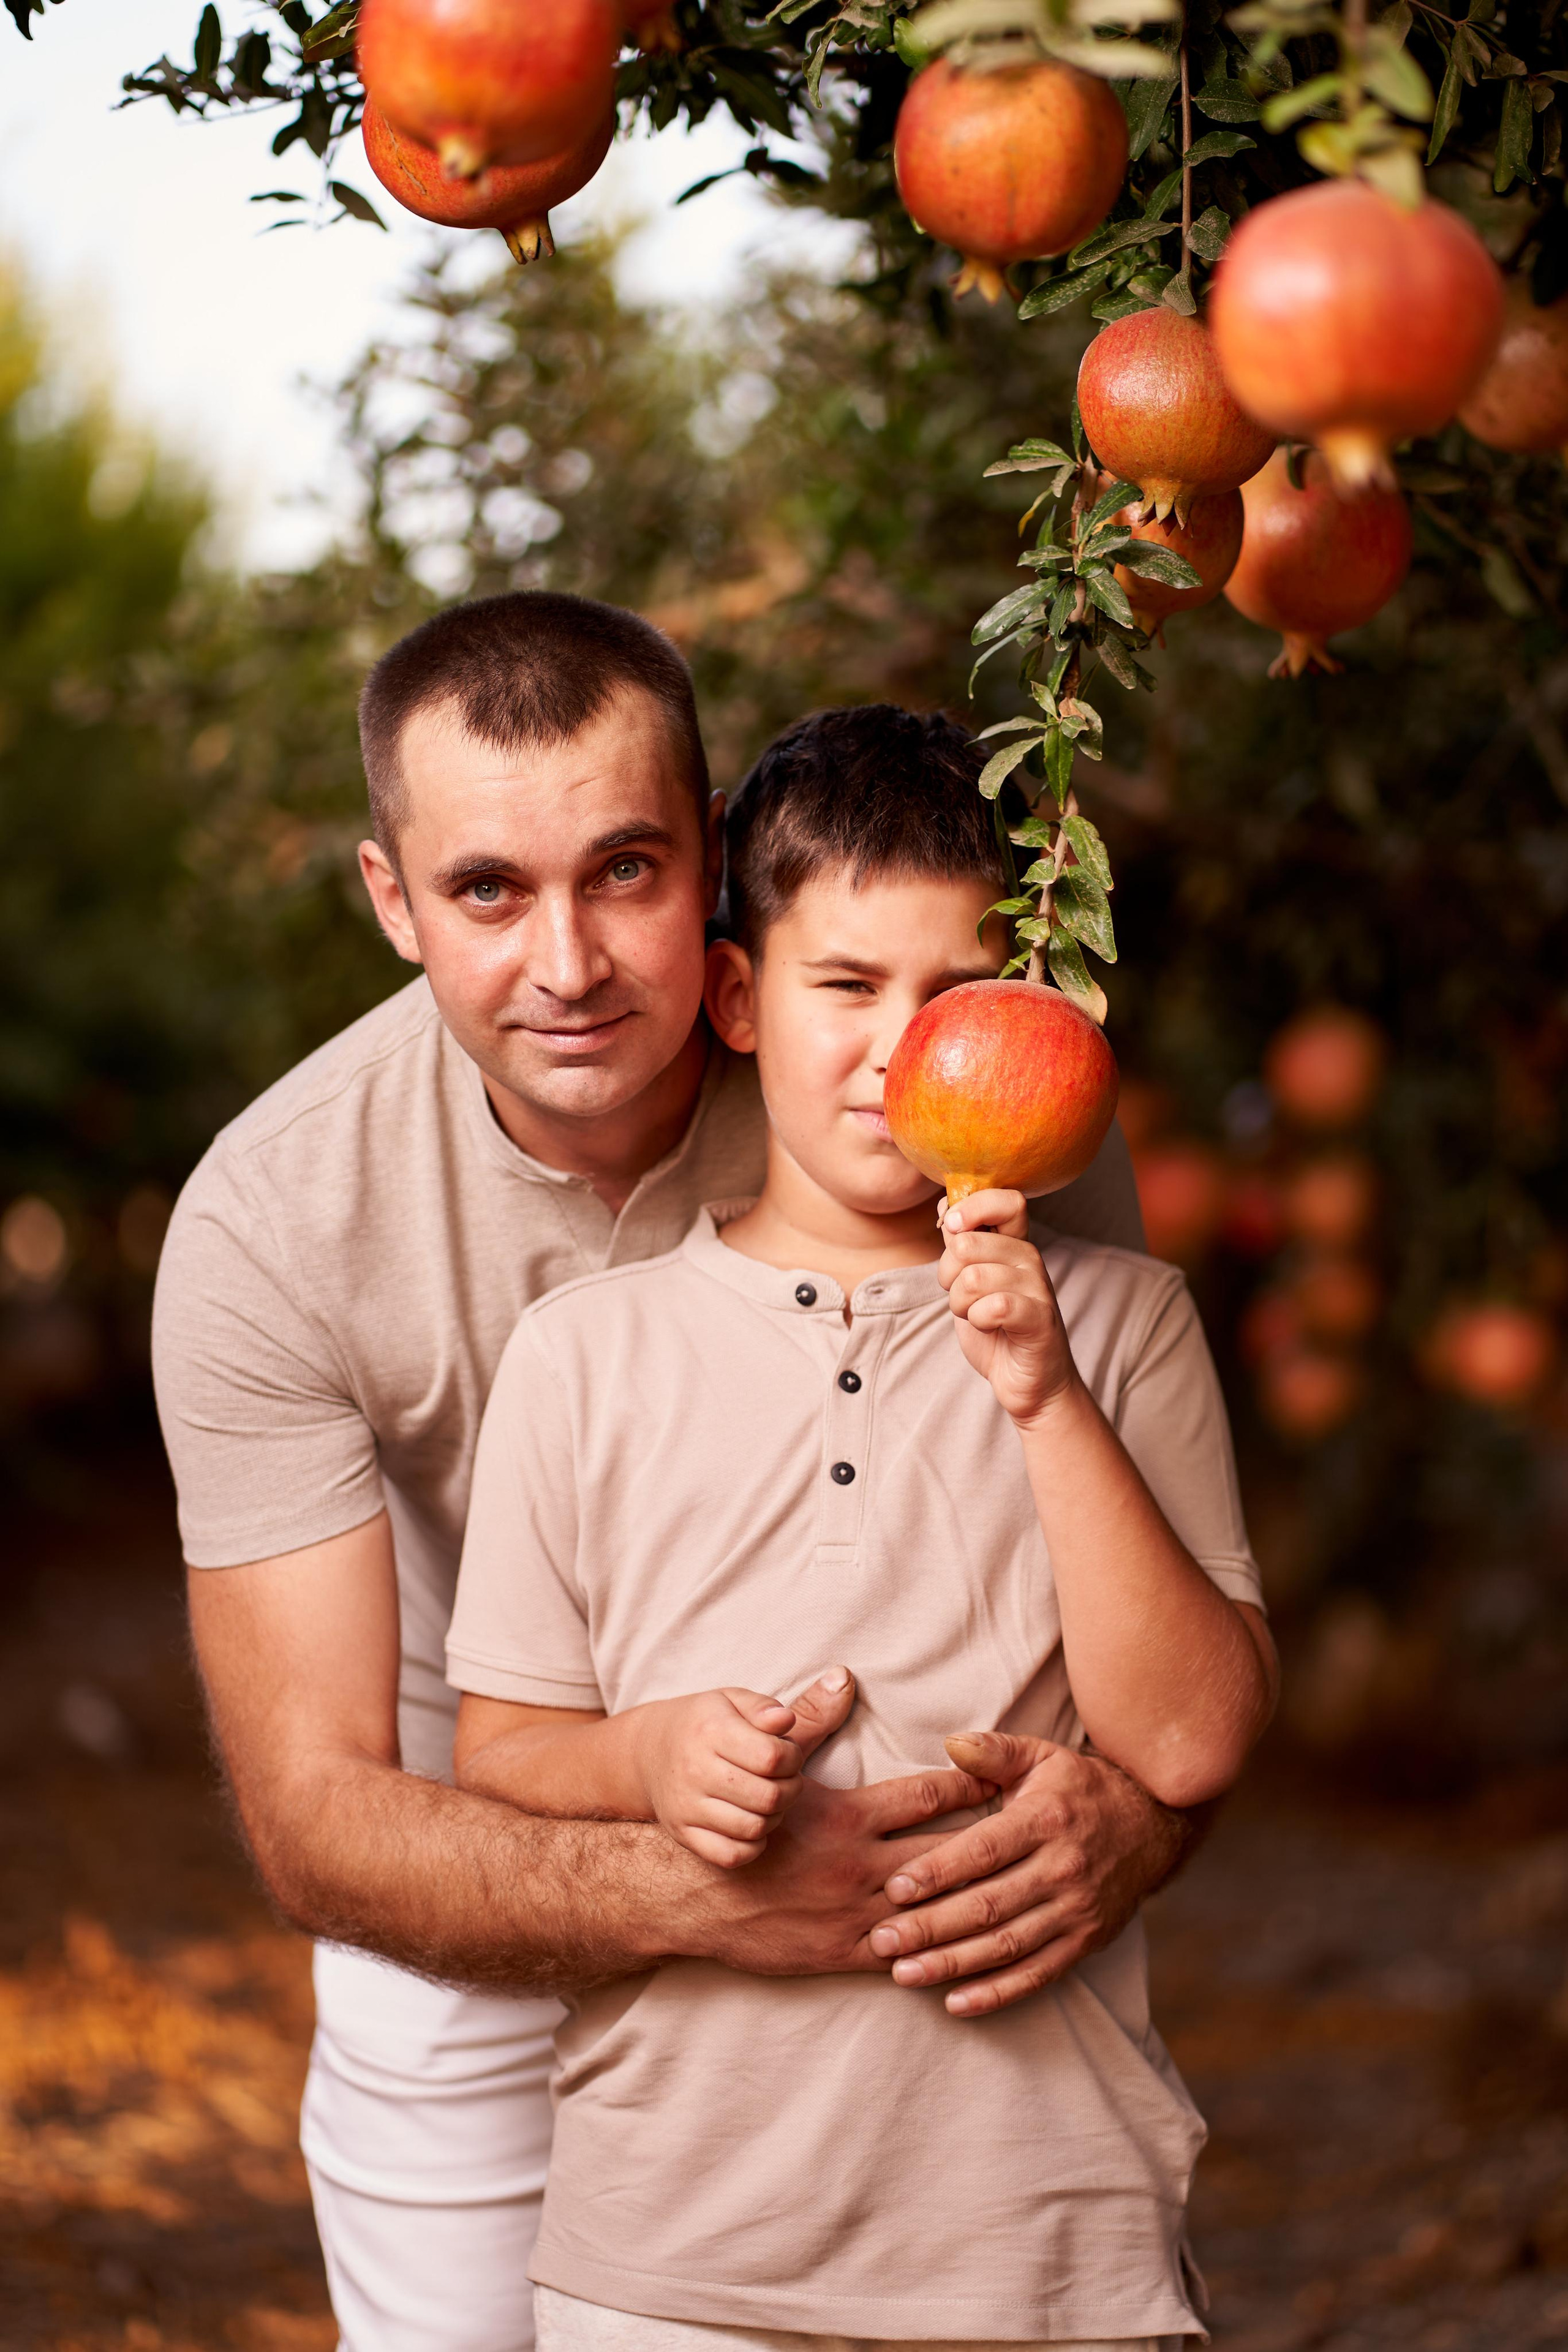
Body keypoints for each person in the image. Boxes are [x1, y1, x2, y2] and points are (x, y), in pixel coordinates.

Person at [152, 596, 1197, 2352]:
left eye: (625, 871)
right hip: (475, 1824)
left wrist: (1138, 1825)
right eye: (487, 890)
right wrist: (714, 1895)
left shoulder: (943, 1082)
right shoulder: (272, 1225)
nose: (567, 963)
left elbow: (1150, 1576)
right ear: (394, 902)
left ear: (711, 859)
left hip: (917, 1874)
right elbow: (320, 1814)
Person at [446, 703, 1278, 2351]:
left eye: (961, 994)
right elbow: (505, 1750)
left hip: (1044, 2250)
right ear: (738, 1000)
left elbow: (1191, 1742)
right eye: (847, 986)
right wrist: (650, 1757)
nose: (907, 1050)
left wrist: (1041, 1392)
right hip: (670, 2261)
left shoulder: (1123, 1329)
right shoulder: (582, 1357)